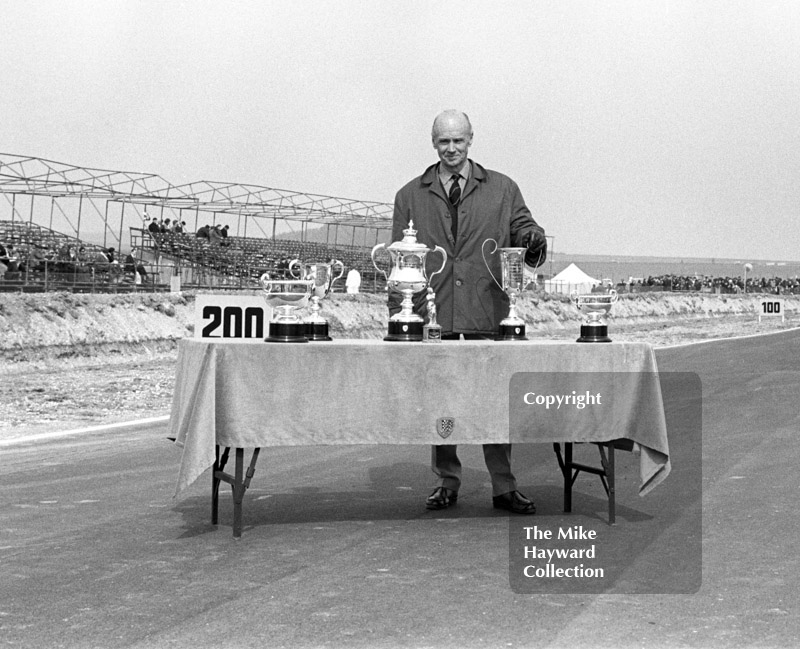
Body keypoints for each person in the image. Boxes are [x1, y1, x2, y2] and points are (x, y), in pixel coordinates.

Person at [390, 109, 547, 515]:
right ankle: (447, 480)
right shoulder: (408, 196)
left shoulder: (504, 189)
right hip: (434, 316)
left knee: (496, 403)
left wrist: (532, 238)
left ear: (471, 139)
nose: (451, 149)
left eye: (458, 141)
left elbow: (525, 232)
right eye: (444, 141)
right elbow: (399, 268)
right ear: (433, 142)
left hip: (488, 314)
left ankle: (504, 485)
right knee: (442, 404)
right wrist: (400, 319)